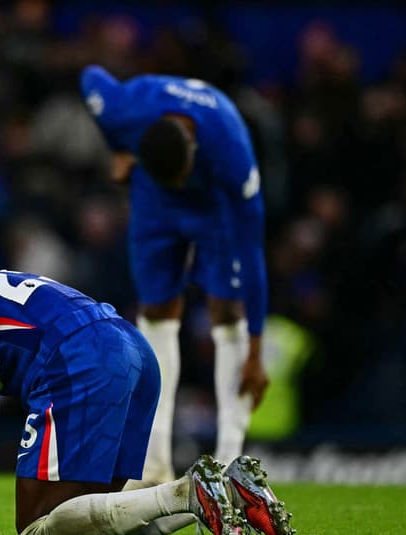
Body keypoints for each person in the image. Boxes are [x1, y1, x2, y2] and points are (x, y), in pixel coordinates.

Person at [0, 270, 293, 535]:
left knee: (36, 526)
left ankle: (190, 493)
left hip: (78, 355)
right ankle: (228, 491)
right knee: (94, 526)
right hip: (129, 350)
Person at [80, 66, 270, 485]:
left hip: (213, 205)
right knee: (156, 310)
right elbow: (90, 76)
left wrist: (256, 348)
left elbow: (252, 255)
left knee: (226, 307)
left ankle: (228, 464)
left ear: (193, 146)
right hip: (154, 201)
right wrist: (117, 148)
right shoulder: (124, 111)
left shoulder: (230, 150)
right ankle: (153, 462)